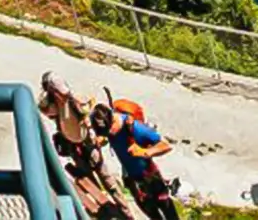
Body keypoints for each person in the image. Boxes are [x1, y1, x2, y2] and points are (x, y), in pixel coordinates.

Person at [39, 75, 131, 219]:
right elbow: (44, 109)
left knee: (107, 179)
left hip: (88, 143)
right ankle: (103, 211)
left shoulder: (76, 100)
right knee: (88, 180)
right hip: (73, 146)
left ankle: (126, 214)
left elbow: (91, 108)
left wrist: (91, 125)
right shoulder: (52, 104)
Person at [92, 103, 179, 220]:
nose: (109, 133)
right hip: (133, 181)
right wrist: (102, 139)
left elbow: (165, 145)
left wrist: (144, 152)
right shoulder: (109, 129)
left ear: (113, 120)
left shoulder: (136, 129)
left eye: (109, 130)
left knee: (169, 213)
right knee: (152, 215)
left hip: (151, 178)